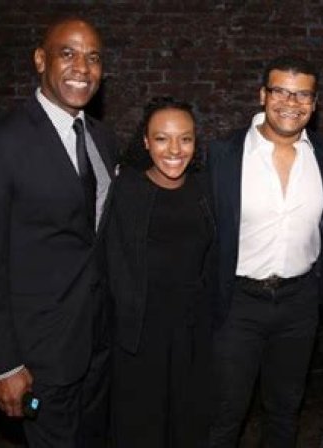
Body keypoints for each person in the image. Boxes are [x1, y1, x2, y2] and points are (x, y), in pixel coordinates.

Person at [0, 17, 117, 445]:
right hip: (38, 355)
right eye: (68, 53)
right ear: (41, 60)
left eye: (94, 58)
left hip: (97, 347)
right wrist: (3, 364)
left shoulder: (102, 139)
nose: (82, 67)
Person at [207, 56, 323, 447]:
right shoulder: (223, 155)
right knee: (225, 411)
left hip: (299, 302)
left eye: (302, 95)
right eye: (280, 91)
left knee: (285, 410)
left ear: (314, 103)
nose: (290, 102)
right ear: (263, 95)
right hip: (238, 302)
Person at [106, 97, 215, 447]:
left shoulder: (204, 188)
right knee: (141, 429)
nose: (175, 150)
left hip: (193, 335)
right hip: (139, 337)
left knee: (189, 427)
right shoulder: (127, 189)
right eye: (162, 138)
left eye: (185, 139)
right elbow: (109, 264)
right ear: (145, 141)